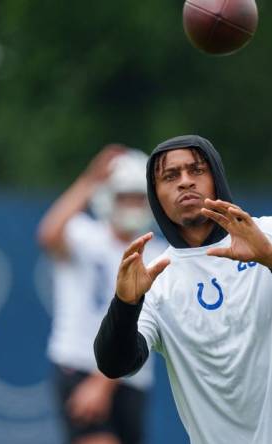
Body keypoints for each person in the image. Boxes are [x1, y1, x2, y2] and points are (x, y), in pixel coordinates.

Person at [93, 135, 272, 444]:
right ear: (155, 195)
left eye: (196, 170)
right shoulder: (156, 277)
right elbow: (116, 364)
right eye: (170, 176)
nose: (185, 182)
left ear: (216, 177)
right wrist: (125, 304)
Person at [38, 145, 165, 444]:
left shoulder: (158, 252)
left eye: (139, 197)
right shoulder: (85, 235)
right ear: (108, 197)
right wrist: (90, 179)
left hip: (131, 377)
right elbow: (48, 234)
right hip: (80, 365)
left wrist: (107, 380)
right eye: (125, 197)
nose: (133, 205)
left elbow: (147, 322)